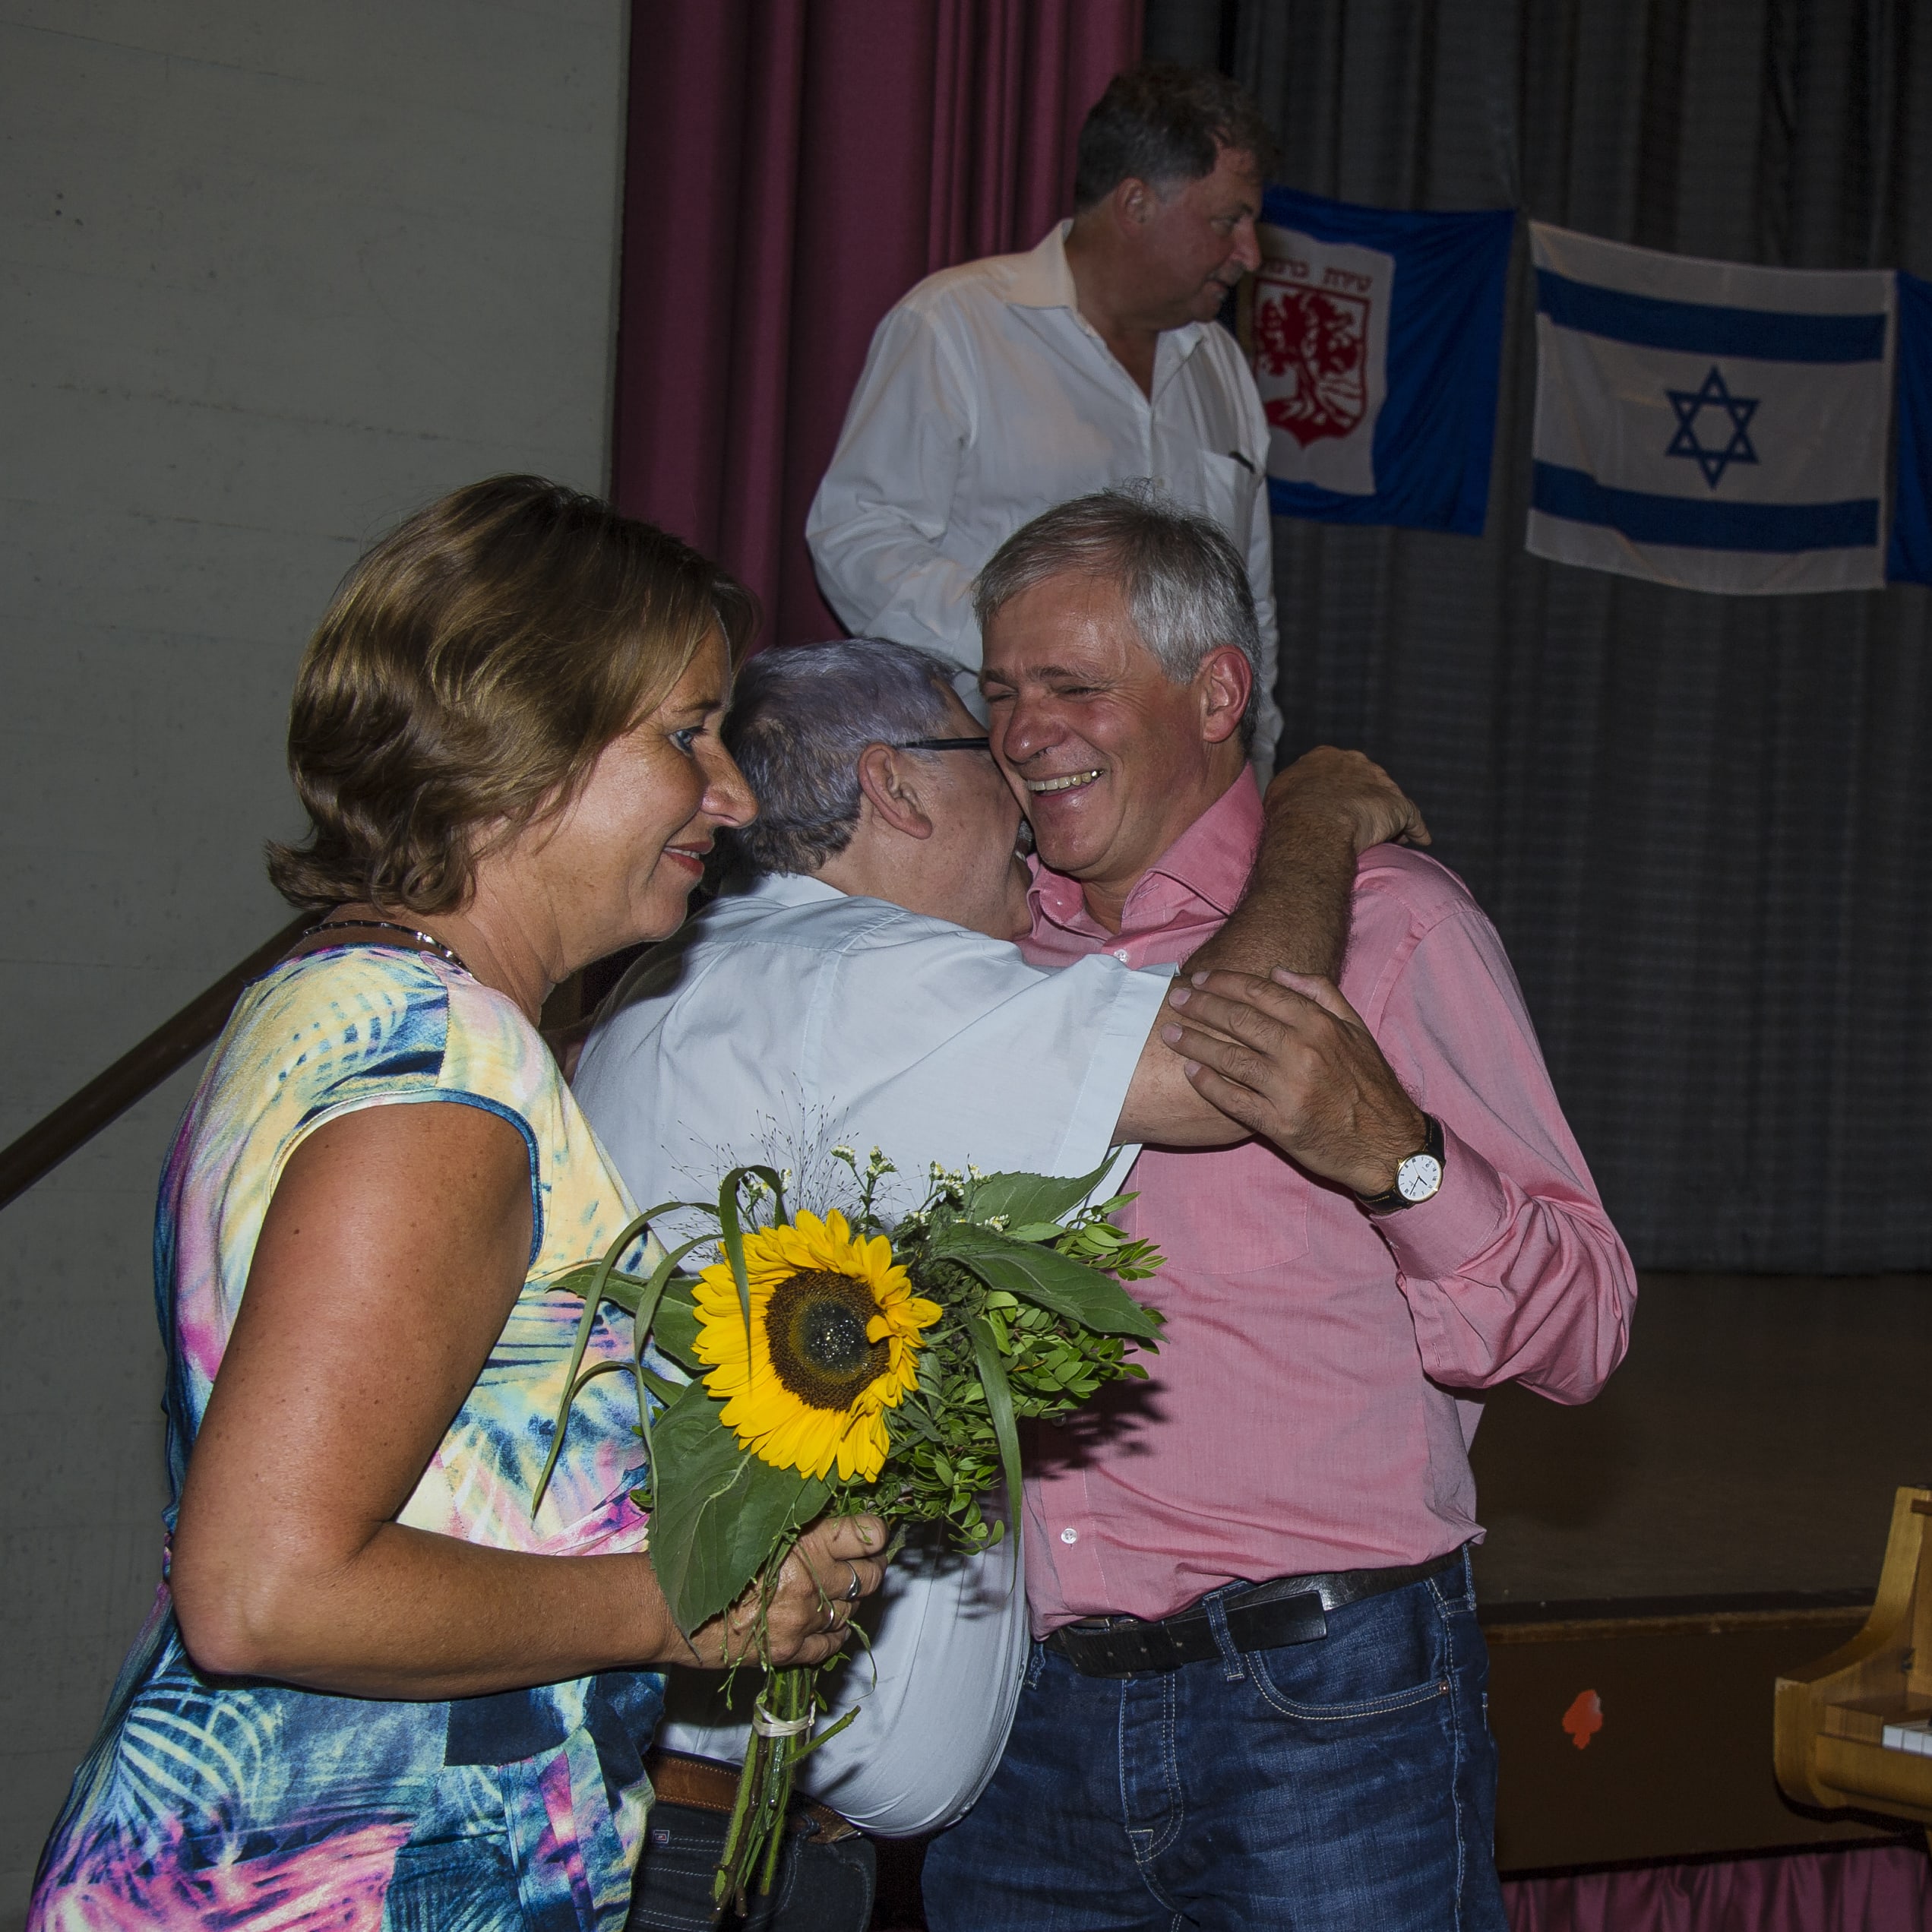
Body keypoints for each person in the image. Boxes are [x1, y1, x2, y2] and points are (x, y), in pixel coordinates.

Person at [25, 477, 887, 1932]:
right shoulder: (441, 1083)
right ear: (519, 744)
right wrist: (681, 1602)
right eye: (684, 733)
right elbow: (264, 1586)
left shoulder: (346, 1001)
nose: (731, 794)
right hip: (332, 1882)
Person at [572, 638, 1424, 1894]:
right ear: (895, 786)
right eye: (987, 745)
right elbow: (1236, 1061)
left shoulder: (675, 979)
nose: (1024, 779)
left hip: (663, 1796)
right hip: (723, 1840)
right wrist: (1308, 819)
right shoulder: (859, 975)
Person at [919, 487, 1640, 1931]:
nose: (1024, 731)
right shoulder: (973, 957)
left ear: (1216, 694)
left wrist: (1402, 1164)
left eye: (1071, 684)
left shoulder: (1394, 922)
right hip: (1017, 1723)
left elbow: (1584, 1329)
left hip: (1324, 1706)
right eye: (999, 692)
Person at [807, 62, 1285, 771]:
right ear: (1135, 204)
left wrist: (1256, 762)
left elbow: (1249, 603)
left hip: (1181, 791)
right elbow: (857, 538)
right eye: (1227, 221)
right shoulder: (955, 326)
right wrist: (1040, 658)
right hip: (994, 776)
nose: (1249, 253)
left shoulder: (1221, 368)